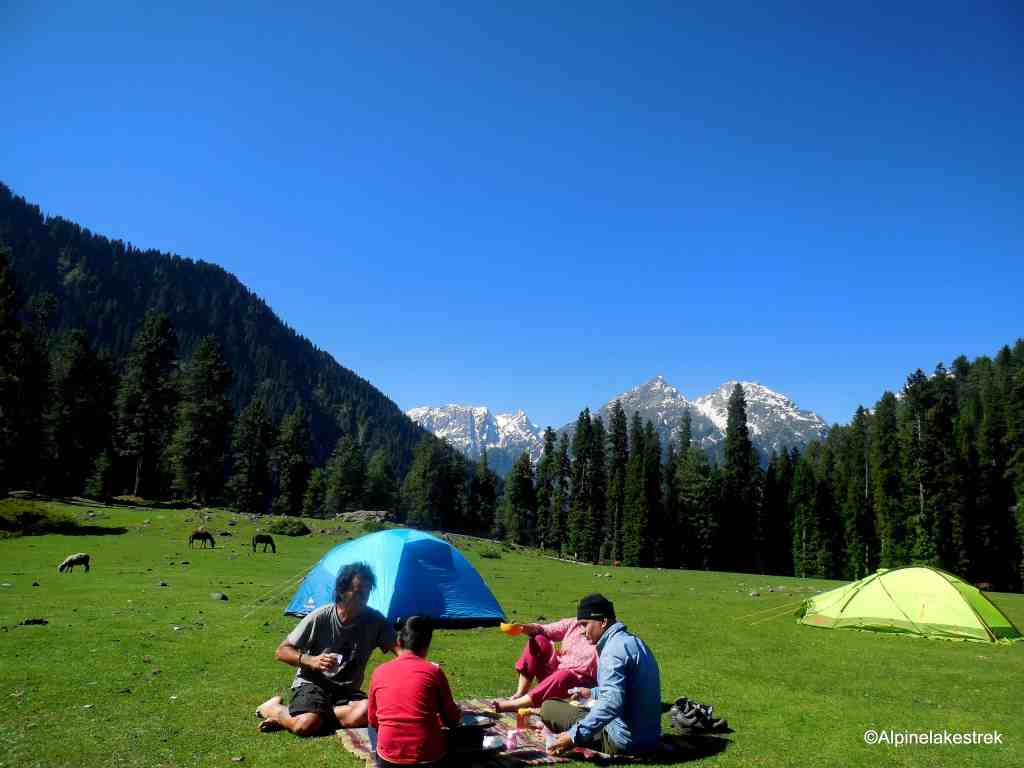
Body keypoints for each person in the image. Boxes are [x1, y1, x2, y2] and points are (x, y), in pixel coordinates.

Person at [256, 562, 397, 736]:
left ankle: (298, 718)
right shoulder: (321, 616)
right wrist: (312, 660)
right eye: (358, 591)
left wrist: (422, 667)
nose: (364, 597)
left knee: (368, 711)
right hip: (313, 684)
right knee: (305, 726)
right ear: (342, 591)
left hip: (346, 690)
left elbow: (399, 649)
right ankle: (275, 709)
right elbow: (282, 651)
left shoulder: (375, 620)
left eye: (368, 591)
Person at [542, 593, 661, 756]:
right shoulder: (634, 642)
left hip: (623, 741)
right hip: (650, 738)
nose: (582, 632)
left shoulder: (611, 652)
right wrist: (591, 692)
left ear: (603, 622)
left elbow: (612, 703)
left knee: (549, 707)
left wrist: (573, 736)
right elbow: (627, 688)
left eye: (585, 625)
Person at [368, 616, 461, 768]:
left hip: (388, 758)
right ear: (427, 645)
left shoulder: (379, 671)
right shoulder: (434, 672)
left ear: (399, 641)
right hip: (427, 756)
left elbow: (373, 720)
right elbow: (451, 719)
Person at [491, 617, 597, 712]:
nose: (583, 629)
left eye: (585, 624)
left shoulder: (607, 641)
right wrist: (523, 627)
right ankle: (520, 693)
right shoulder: (574, 623)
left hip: (577, 685)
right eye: (581, 624)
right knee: (538, 640)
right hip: (558, 672)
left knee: (564, 675)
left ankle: (516, 704)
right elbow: (544, 630)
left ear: (600, 623)